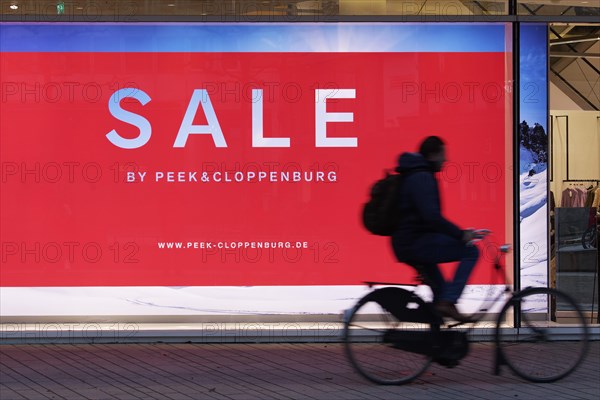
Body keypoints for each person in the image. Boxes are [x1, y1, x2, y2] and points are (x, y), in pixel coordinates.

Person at [391, 136, 479, 323]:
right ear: (433, 154)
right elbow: (432, 218)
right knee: (471, 251)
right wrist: (461, 234)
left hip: (409, 243)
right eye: (442, 155)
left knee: (440, 295)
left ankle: (437, 341)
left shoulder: (416, 173)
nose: (445, 160)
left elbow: (428, 219)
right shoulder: (422, 177)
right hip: (416, 244)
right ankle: (448, 302)